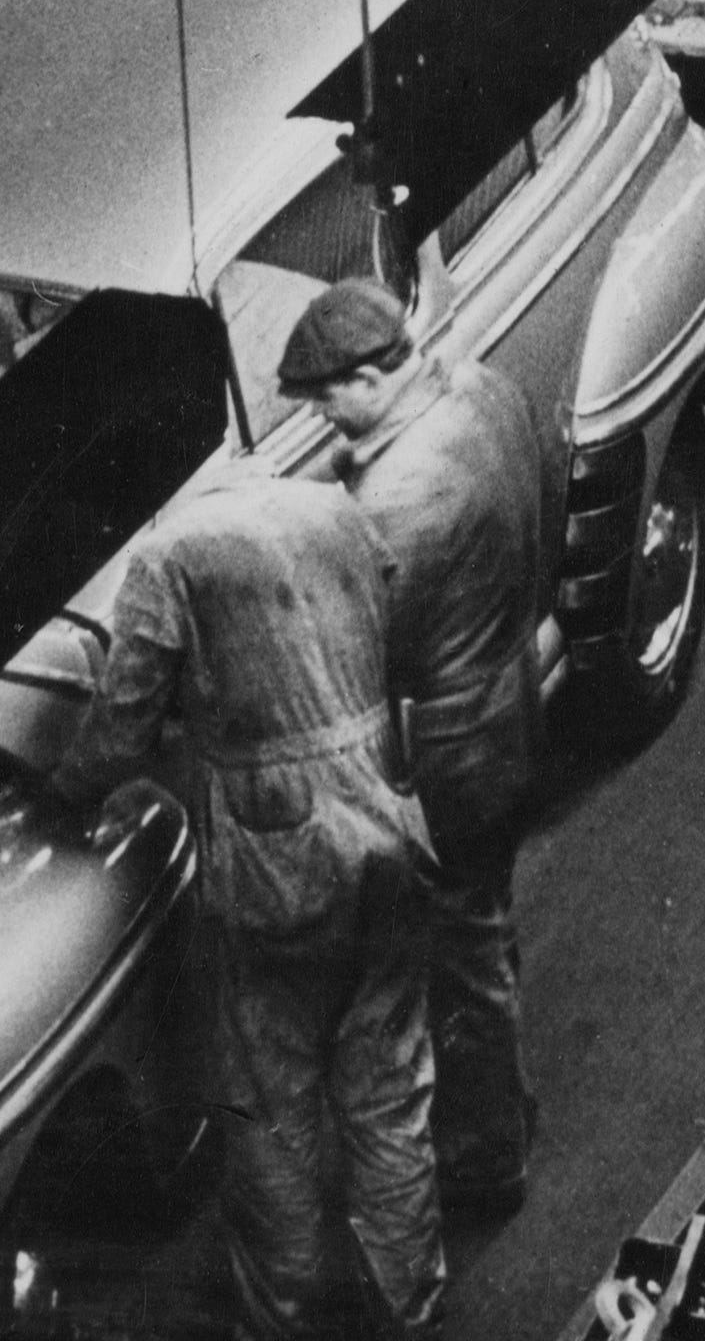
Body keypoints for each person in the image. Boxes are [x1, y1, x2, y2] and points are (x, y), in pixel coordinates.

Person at [74, 474, 443, 1340]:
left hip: (280, 864)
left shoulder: (164, 560)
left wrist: (63, 790)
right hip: (389, 824)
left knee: (270, 1111)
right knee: (390, 1088)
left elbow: (120, 729)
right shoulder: (328, 505)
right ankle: (412, 1307)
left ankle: (285, 1322)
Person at [286, 280, 565, 1221]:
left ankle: (487, 1158)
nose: (322, 417)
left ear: (370, 378)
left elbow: (351, 646)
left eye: (328, 399)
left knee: (460, 957)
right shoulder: (486, 389)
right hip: (511, 703)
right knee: (486, 920)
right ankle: (503, 1102)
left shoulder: (399, 502)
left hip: (447, 760)